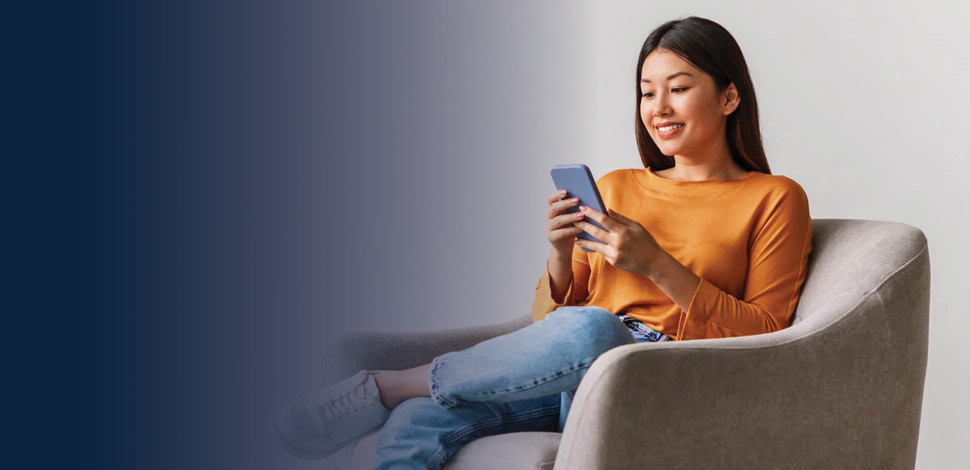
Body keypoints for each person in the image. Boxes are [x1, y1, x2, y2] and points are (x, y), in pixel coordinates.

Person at [271, 15, 813, 469]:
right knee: (421, 419)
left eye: (679, 87)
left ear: (729, 96)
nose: (659, 108)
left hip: (659, 374)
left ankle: (384, 386)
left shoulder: (773, 198)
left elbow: (770, 334)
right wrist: (558, 252)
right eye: (648, 92)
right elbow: (546, 325)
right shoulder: (619, 186)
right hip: (563, 369)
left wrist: (656, 265)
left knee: (594, 326)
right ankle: (403, 398)